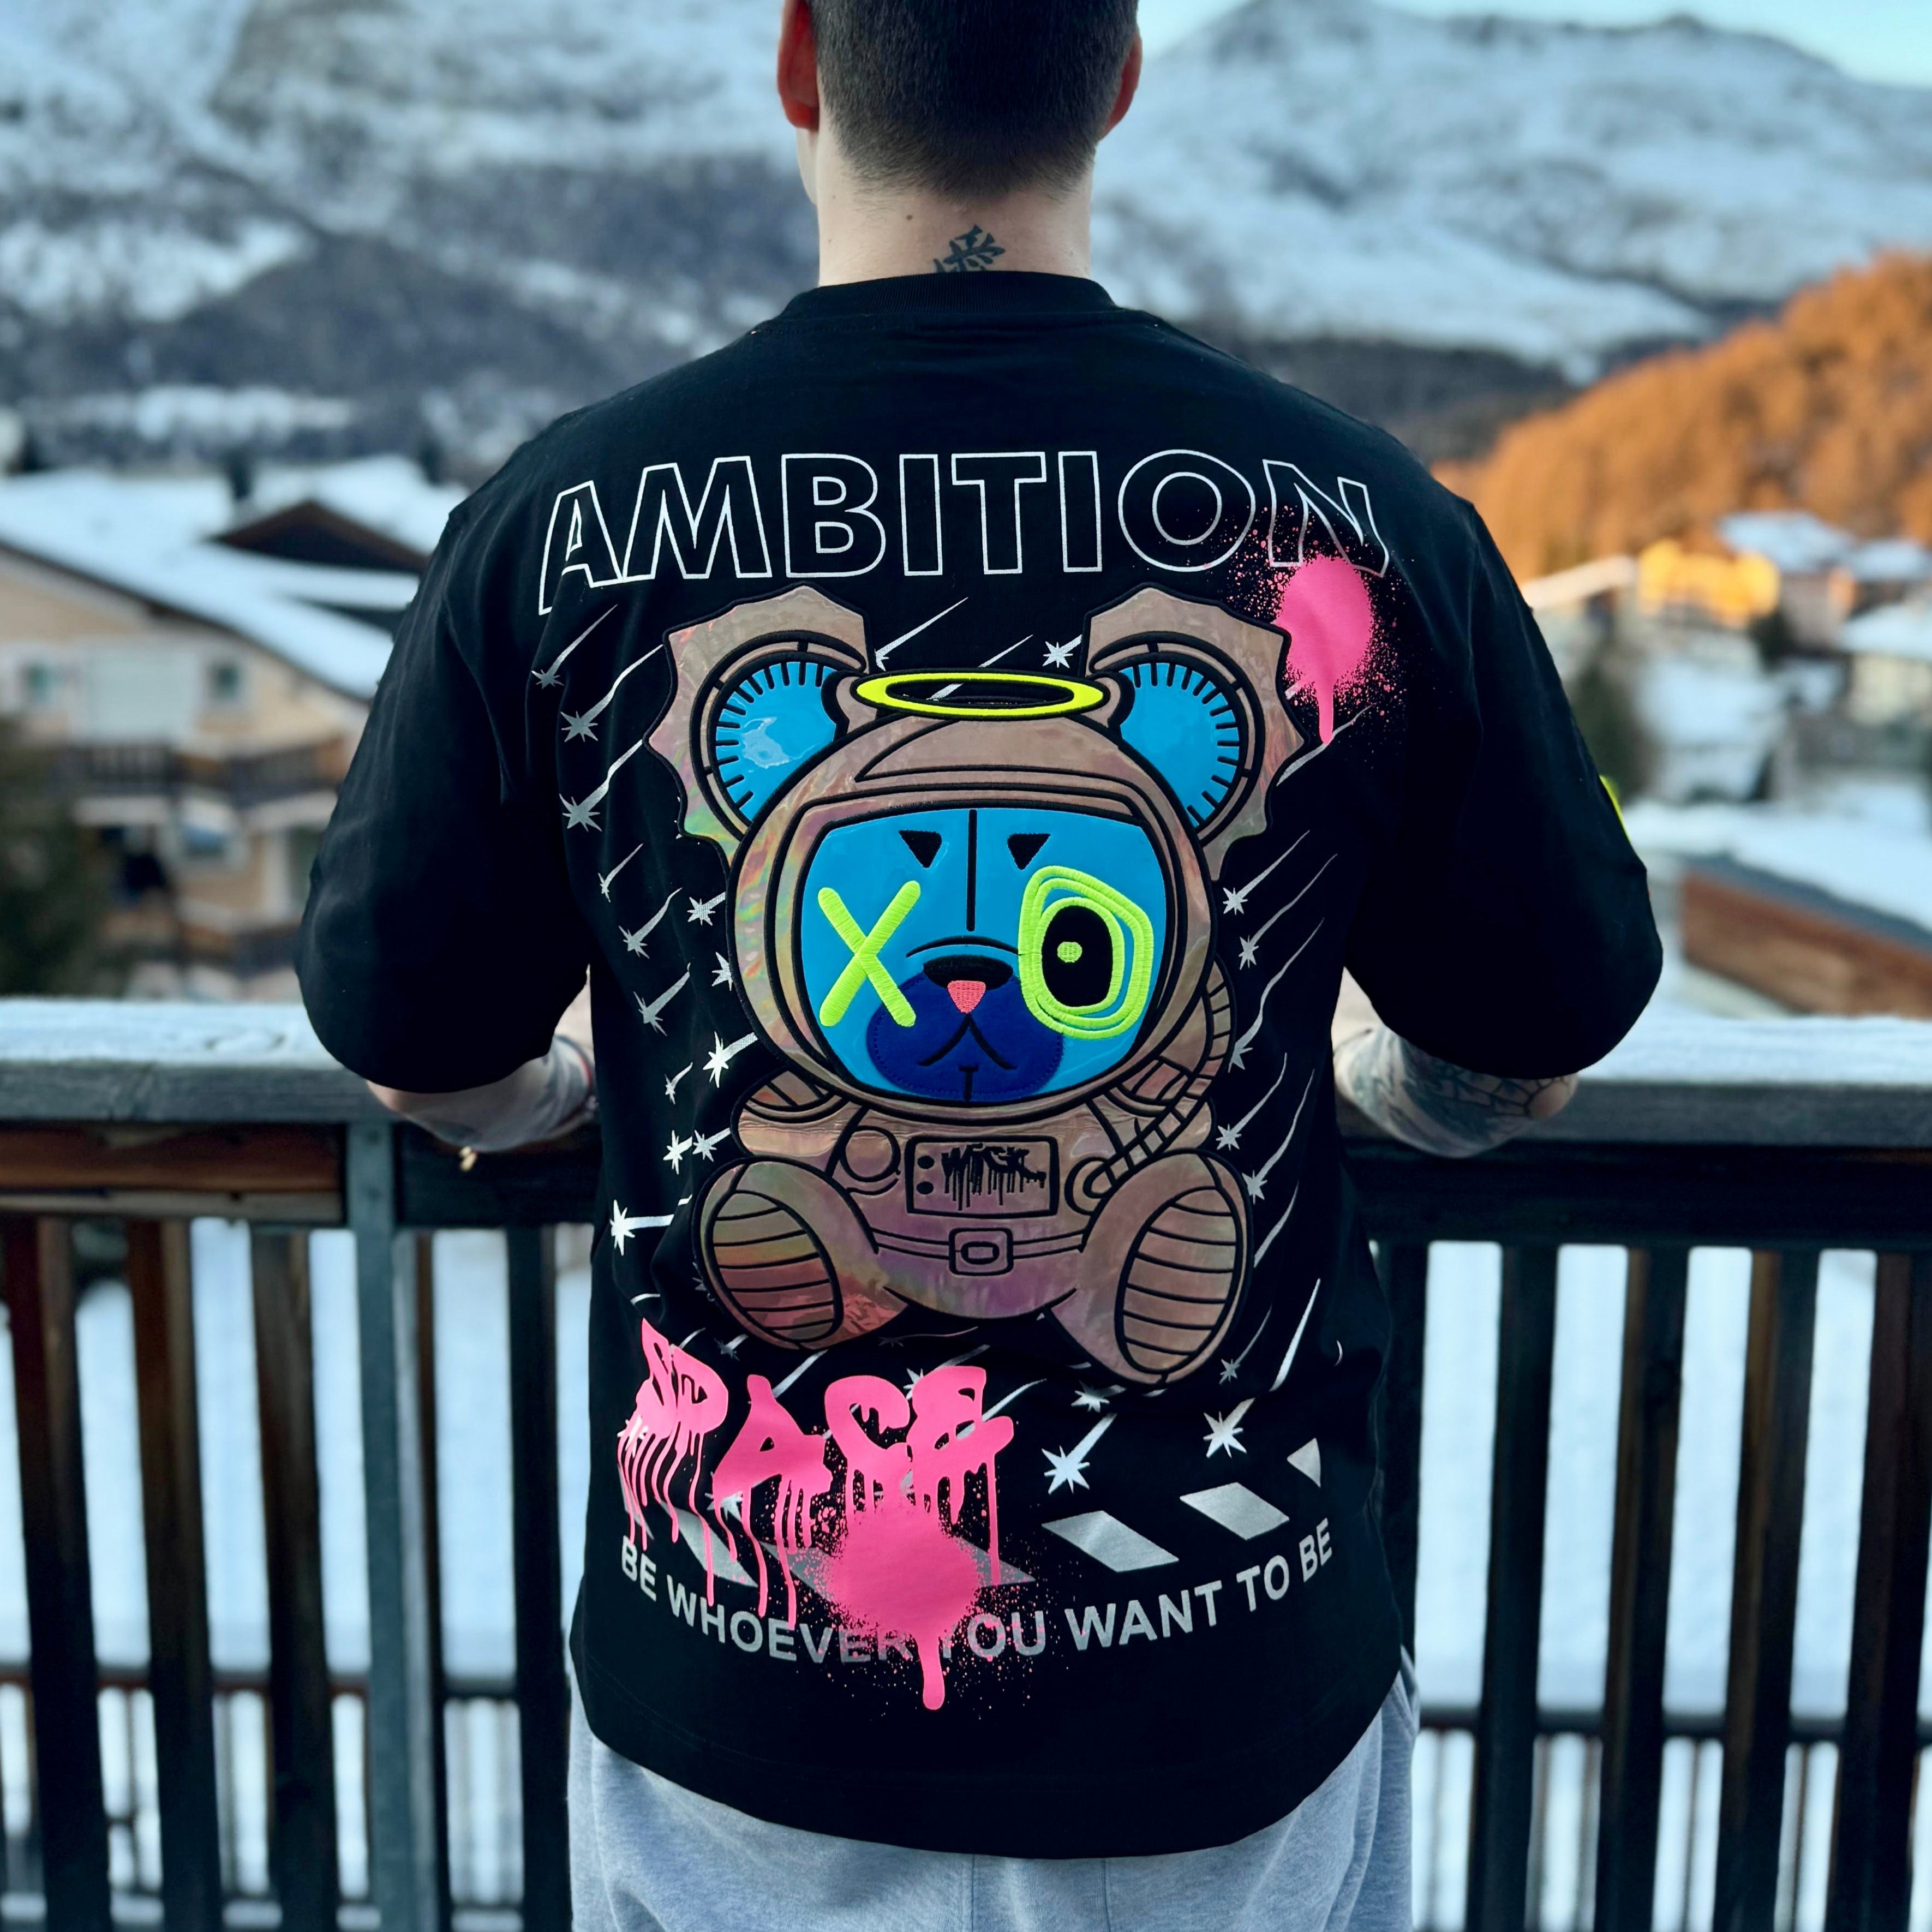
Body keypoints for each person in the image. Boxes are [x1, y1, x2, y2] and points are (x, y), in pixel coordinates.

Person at [297, 1, 1661, 1924]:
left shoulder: (564, 523)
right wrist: (1376, 1091)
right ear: (1119, 77)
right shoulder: (1359, 527)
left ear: (799, 63)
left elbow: (409, 1040)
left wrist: (556, 1102)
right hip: (1227, 1685)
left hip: (748, 1679)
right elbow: (1532, 1042)